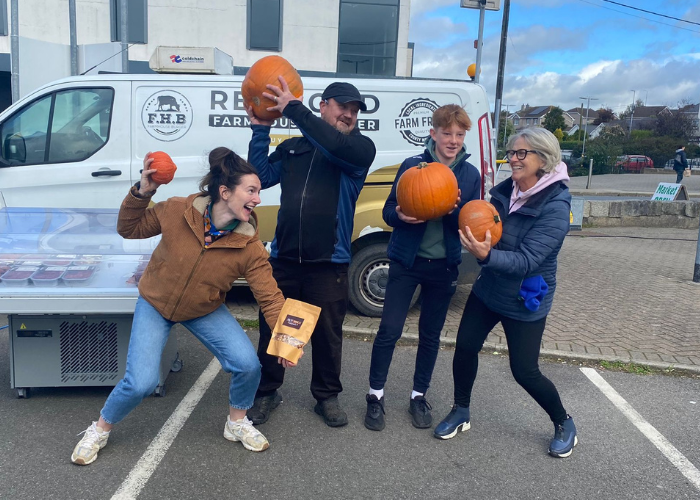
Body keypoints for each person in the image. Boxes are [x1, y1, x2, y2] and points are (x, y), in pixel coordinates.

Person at [71, 147, 294, 465]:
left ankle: (236, 422)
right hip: (156, 302)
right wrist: (142, 192)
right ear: (225, 192)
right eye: (252, 190)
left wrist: (287, 339)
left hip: (203, 309)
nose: (258, 199)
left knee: (247, 365)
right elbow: (129, 229)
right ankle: (99, 429)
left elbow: (270, 298)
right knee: (141, 382)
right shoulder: (177, 210)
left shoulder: (249, 247)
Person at [434, 127, 578, 459]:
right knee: (465, 347)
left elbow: (529, 260)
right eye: (511, 152)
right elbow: (485, 225)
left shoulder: (555, 205)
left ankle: (564, 422)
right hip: (490, 289)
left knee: (524, 371)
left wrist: (485, 256)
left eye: (520, 153)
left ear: (543, 158)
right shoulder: (505, 191)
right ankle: (461, 410)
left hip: (525, 298)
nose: (512, 158)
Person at [245, 80, 376, 427]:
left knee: (327, 335)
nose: (349, 114)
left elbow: (332, 143)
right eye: (342, 106)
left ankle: (327, 397)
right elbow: (259, 176)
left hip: (328, 263)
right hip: (285, 259)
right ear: (323, 106)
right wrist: (260, 130)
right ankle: (267, 392)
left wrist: (292, 108)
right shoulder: (292, 150)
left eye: (354, 109)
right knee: (274, 330)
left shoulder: (359, 150)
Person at [364, 104, 481, 432]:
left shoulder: (470, 176)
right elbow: (388, 211)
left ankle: (419, 396)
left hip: (443, 266)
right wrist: (399, 216)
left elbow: (471, 223)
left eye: (459, 134)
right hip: (406, 261)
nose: (453, 140)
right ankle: (375, 396)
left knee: (430, 335)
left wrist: (453, 211)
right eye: (447, 133)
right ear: (434, 134)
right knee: (389, 330)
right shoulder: (412, 166)